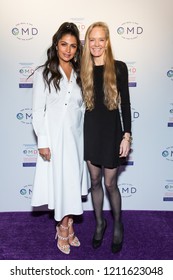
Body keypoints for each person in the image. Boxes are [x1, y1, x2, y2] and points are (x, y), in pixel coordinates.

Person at [31, 22, 89, 255]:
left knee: (71, 184)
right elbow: (37, 111)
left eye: (73, 46)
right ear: (56, 45)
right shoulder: (42, 72)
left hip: (76, 140)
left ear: (77, 50)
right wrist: (43, 141)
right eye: (64, 44)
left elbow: (83, 111)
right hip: (54, 140)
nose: (68, 49)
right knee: (60, 184)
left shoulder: (80, 76)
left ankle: (68, 223)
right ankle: (63, 226)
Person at [81, 22, 132, 253]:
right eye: (92, 39)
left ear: (108, 41)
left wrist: (127, 136)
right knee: (94, 182)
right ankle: (100, 223)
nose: (96, 44)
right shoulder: (83, 68)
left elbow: (127, 105)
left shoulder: (119, 68)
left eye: (101, 39)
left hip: (112, 132)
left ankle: (118, 224)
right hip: (91, 131)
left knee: (110, 183)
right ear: (87, 42)